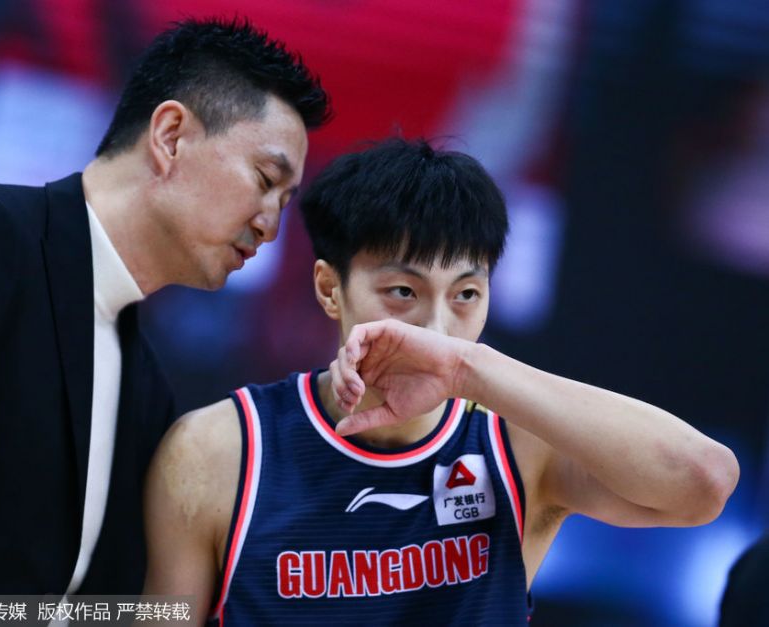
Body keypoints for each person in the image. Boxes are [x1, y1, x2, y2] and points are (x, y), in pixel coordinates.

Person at [142, 139, 739, 624]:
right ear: (329, 289)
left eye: (466, 295)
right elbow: (161, 615)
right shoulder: (218, 448)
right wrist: (82, 609)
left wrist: (466, 369)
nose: (436, 330)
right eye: (403, 292)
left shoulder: (520, 442)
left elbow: (705, 482)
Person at [0, 18, 328, 593]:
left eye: (285, 200)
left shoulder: (145, 387)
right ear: (170, 137)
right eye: (265, 180)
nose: (269, 225)